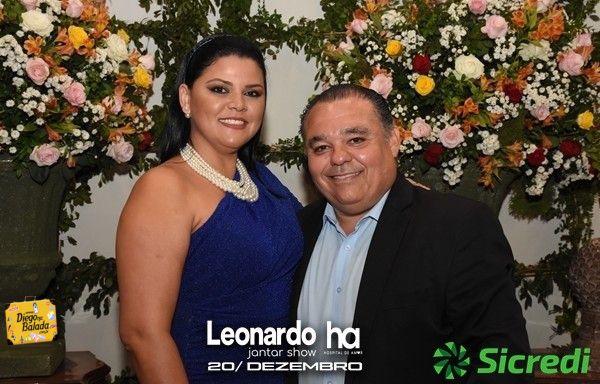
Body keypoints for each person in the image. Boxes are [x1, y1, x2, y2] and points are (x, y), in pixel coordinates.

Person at [289, 84, 532, 383]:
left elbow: (502, 362)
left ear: (393, 141)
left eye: (356, 139)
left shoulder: (457, 228)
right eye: (321, 148)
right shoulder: (295, 231)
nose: (338, 157)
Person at [117, 34, 303, 384]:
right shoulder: (164, 188)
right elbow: (142, 335)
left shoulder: (263, 180)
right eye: (220, 89)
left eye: (252, 93)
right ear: (186, 99)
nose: (238, 104)